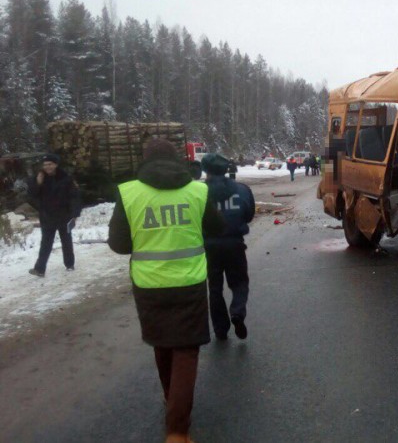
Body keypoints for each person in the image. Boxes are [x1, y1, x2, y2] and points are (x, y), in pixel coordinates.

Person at [108, 139, 224, 443]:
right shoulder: (198, 191)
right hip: (189, 282)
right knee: (186, 350)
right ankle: (176, 431)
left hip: (149, 286)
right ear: (178, 160)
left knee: (162, 343)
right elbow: (216, 228)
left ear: (144, 161)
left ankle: (171, 400)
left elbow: (120, 245)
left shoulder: (129, 192)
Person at [201, 153, 256, 340]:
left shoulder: (198, 193)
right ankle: (237, 312)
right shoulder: (242, 189)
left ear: (205, 170)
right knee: (240, 283)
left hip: (209, 248)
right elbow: (249, 215)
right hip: (235, 245)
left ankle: (220, 329)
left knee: (214, 288)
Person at [28, 153, 81, 277]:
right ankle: (40, 269)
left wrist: (75, 214)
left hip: (64, 215)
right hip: (47, 216)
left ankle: (69, 264)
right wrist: (38, 183)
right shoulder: (39, 177)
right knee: (45, 243)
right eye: (45, 164)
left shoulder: (66, 178)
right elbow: (32, 195)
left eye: (50, 164)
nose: (47, 167)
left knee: (66, 241)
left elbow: (75, 196)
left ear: (56, 165)